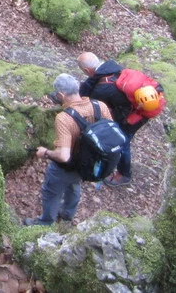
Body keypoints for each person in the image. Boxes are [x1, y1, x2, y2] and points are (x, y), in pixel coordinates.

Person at [23, 73, 113, 227]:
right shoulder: (100, 106)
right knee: (74, 186)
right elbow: (110, 132)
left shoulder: (64, 118)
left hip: (67, 166)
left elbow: (64, 156)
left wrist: (45, 152)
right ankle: (67, 215)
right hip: (89, 163)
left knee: (51, 191)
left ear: (61, 95)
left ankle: (46, 221)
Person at [78, 52, 140, 187]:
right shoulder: (111, 66)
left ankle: (124, 174)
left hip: (133, 116)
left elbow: (96, 108)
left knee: (123, 142)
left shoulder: (102, 90)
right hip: (133, 108)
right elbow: (93, 81)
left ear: (87, 70)